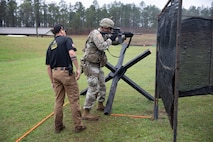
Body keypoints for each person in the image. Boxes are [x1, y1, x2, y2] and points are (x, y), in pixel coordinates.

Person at [46, 24, 86, 133]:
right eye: (64, 30)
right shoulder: (67, 40)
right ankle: (78, 126)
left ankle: (58, 126)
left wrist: (52, 81)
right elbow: (72, 53)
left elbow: (48, 67)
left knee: (58, 101)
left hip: (55, 74)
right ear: (61, 30)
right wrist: (78, 68)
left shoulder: (50, 45)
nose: (65, 32)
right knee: (73, 99)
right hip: (66, 74)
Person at [81, 18, 119, 121]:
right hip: (90, 64)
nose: (111, 31)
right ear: (105, 27)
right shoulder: (96, 34)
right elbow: (102, 46)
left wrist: (121, 37)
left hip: (97, 64)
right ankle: (86, 111)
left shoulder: (103, 35)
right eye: (110, 29)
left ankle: (100, 104)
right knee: (94, 87)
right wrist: (111, 39)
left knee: (102, 85)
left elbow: (114, 42)